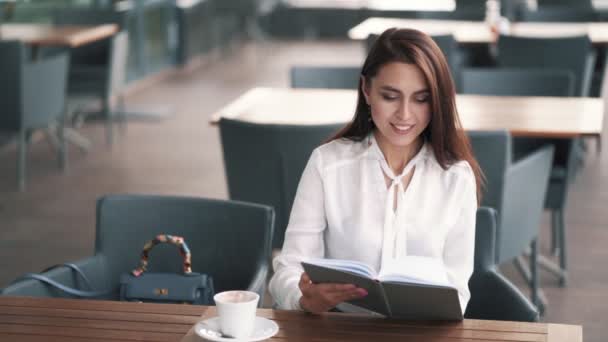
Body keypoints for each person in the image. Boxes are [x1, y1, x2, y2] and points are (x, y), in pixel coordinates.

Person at [269, 28, 483, 315]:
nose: (405, 115)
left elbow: (457, 290)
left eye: (421, 99)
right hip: (340, 330)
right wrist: (303, 298)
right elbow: (288, 269)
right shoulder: (327, 164)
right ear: (367, 91)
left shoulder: (456, 178)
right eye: (390, 96)